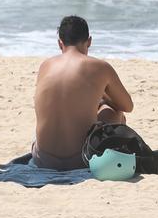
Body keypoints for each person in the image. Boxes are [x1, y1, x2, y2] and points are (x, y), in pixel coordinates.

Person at [31, 15, 134, 170]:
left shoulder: (45, 65)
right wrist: (103, 96)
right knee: (114, 112)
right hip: (80, 160)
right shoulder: (100, 67)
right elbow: (127, 106)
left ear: (60, 43)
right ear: (89, 41)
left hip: (43, 159)